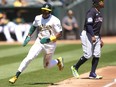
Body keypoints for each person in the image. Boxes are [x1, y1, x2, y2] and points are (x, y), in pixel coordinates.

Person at [9, 3, 64, 84]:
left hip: (50, 44)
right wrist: (28, 36)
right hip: (39, 41)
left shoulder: (55, 20)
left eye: (46, 11)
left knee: (46, 66)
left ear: (50, 12)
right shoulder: (38, 18)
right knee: (29, 58)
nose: (44, 12)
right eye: (43, 10)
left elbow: (60, 34)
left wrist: (49, 39)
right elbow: (34, 26)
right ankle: (16, 76)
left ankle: (58, 61)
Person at [71, 0, 104, 79]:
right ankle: (75, 67)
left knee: (97, 54)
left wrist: (100, 38)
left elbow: (97, 28)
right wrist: (92, 36)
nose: (103, 2)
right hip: (88, 34)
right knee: (88, 55)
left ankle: (92, 73)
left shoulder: (99, 12)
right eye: (101, 1)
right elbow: (88, 25)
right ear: (97, 3)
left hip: (95, 35)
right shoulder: (91, 12)